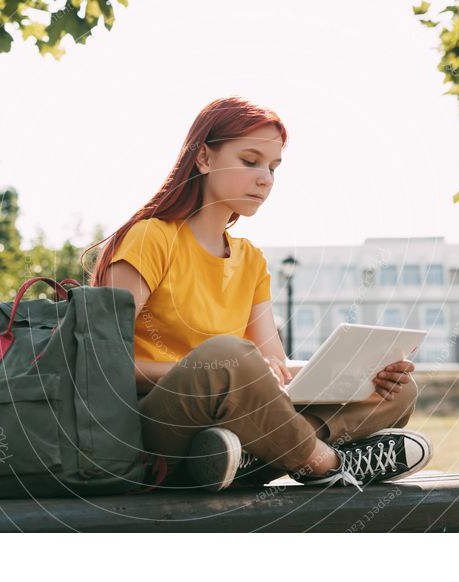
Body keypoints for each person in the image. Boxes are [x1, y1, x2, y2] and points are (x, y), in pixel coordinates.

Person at [85, 96, 432, 492]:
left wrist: (364, 372)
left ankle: (244, 457)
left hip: (232, 422)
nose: (265, 178)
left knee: (396, 392)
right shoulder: (151, 238)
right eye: (250, 161)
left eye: (272, 167)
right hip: (156, 431)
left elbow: (273, 368)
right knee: (228, 355)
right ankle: (325, 462)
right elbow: (104, 364)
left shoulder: (250, 259)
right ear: (204, 158)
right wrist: (222, 376)